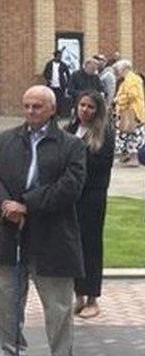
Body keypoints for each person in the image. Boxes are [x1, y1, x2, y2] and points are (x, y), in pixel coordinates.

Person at [0, 85, 86, 356]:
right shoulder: (6, 140)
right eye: (27, 106)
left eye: (37, 106)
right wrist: (5, 205)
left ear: (52, 109)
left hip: (54, 236)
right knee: (5, 298)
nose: (30, 111)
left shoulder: (71, 145)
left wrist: (26, 205)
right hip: (11, 232)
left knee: (58, 305)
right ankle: (10, 353)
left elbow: (70, 188)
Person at [65, 91, 115, 319]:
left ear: (98, 111)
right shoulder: (69, 130)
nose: (84, 110)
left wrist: (76, 152)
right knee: (71, 244)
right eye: (82, 105)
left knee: (91, 244)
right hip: (71, 196)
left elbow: (100, 164)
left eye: (90, 107)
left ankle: (92, 297)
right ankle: (78, 295)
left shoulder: (104, 134)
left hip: (92, 197)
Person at [113, 59, 145, 165]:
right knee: (126, 135)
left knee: (133, 135)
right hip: (128, 111)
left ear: (124, 69)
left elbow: (132, 95)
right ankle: (126, 156)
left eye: (119, 70)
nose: (118, 72)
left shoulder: (132, 79)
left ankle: (133, 158)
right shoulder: (129, 79)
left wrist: (118, 100)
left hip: (132, 112)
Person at [43, 49, 71, 117]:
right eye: (58, 56)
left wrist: (66, 83)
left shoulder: (63, 65)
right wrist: (48, 79)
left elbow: (68, 74)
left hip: (60, 86)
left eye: (60, 56)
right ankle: (52, 113)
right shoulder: (49, 64)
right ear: (55, 56)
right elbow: (45, 72)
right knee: (52, 100)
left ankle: (59, 114)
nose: (60, 58)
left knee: (60, 100)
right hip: (51, 85)